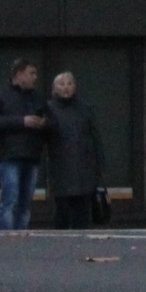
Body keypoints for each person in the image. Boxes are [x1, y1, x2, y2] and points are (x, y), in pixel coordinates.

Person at [0, 59, 50, 230]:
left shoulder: (37, 97)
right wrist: (22, 122)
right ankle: (6, 239)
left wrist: (44, 123)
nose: (35, 77)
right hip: (9, 155)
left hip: (32, 156)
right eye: (31, 73)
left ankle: (21, 237)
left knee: (25, 203)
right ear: (19, 75)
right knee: (10, 200)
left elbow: (50, 120)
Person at [45, 71, 108, 230]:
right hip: (60, 168)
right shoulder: (48, 109)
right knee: (62, 213)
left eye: (69, 83)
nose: (66, 88)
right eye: (61, 84)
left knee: (82, 214)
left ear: (75, 87)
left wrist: (101, 166)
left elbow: (96, 138)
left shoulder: (85, 109)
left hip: (84, 167)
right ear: (54, 88)